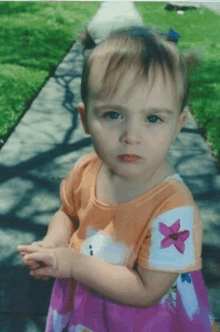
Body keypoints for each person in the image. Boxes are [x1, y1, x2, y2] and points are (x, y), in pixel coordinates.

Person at [17, 25, 217, 332]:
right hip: (85, 304)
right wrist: (51, 244)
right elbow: (68, 213)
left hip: (144, 319)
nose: (131, 136)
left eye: (153, 118)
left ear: (178, 125)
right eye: (113, 115)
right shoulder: (86, 169)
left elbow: (148, 289)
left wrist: (71, 263)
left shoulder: (173, 209)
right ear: (85, 119)